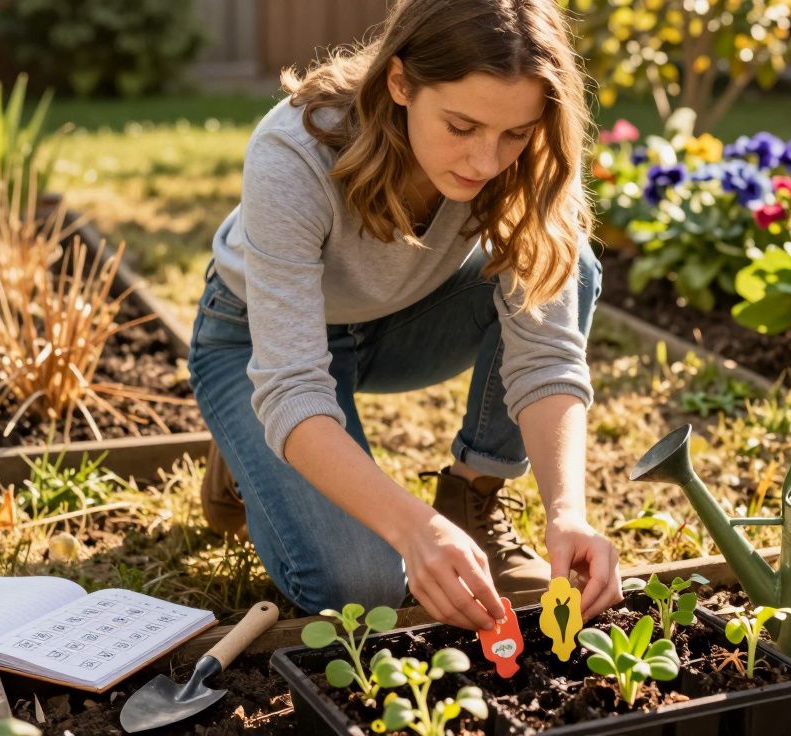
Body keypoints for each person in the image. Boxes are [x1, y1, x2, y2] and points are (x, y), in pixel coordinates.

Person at [187, 0, 622, 632]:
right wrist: (415, 528)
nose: (485, 161)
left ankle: (473, 496)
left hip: (404, 318)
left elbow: (545, 354)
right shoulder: (294, 151)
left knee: (566, 260)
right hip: (256, 341)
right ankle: (253, 441)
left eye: (514, 134)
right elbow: (294, 384)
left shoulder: (527, 152)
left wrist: (568, 512)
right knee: (362, 586)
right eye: (461, 126)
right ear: (400, 82)